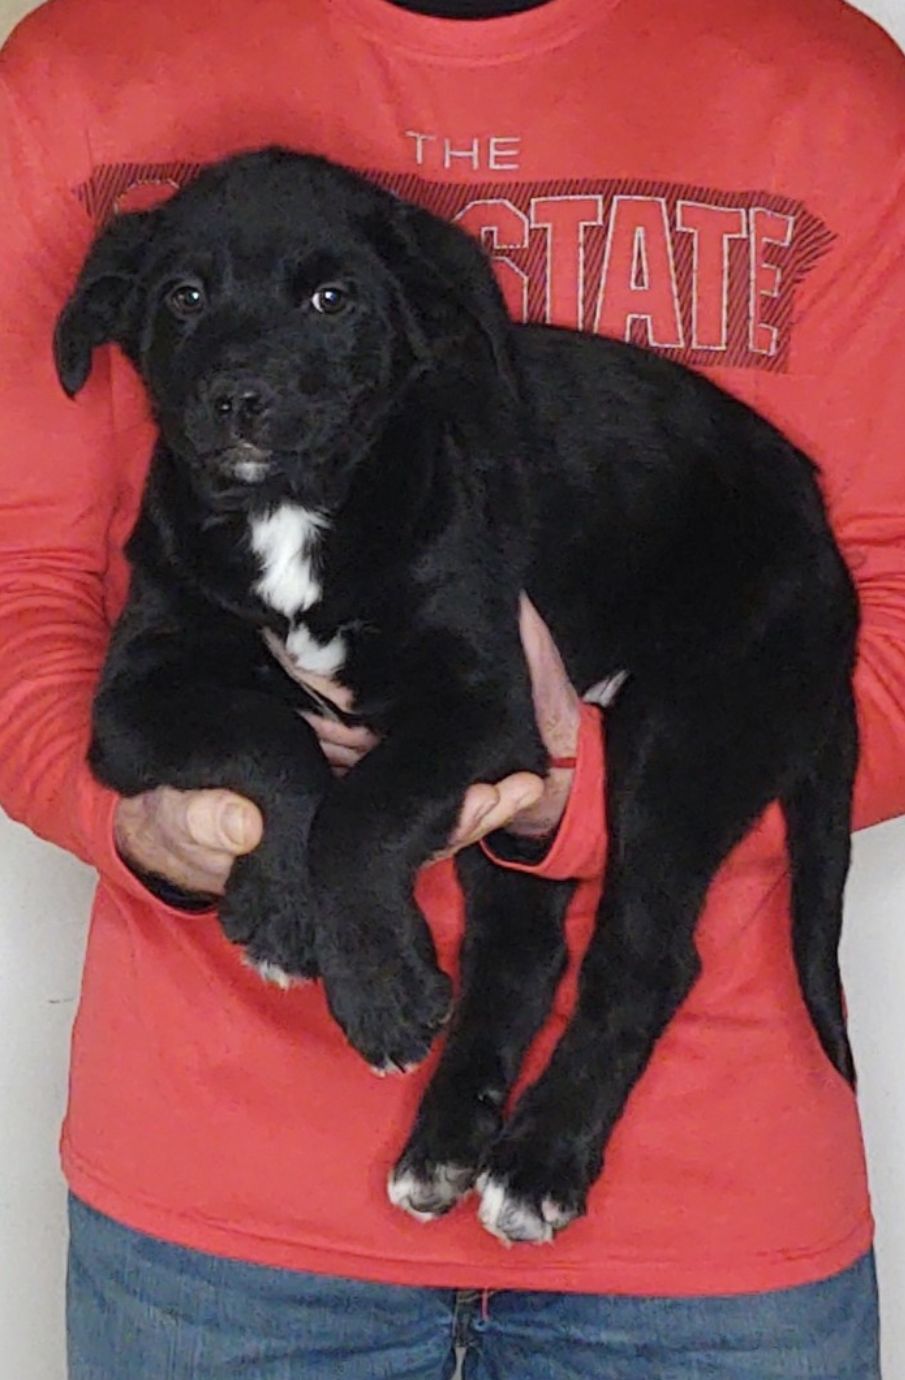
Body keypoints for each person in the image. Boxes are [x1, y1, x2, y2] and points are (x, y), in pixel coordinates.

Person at [0, 0, 902, 1374]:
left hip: (706, 1234)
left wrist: (560, 793)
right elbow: (20, 586)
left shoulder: (825, 84)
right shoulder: (86, 64)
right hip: (218, 1221)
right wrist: (149, 826)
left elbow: (872, 622)